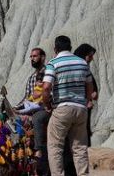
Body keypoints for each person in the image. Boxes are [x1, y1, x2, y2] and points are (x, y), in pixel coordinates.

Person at [42, 35, 94, 176]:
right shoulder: (82, 63)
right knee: (80, 148)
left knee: (55, 147)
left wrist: (47, 104)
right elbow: (90, 86)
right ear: (70, 47)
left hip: (62, 108)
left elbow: (46, 87)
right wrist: (87, 100)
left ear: (55, 49)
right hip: (80, 109)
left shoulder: (53, 63)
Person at [18, 48, 50, 175]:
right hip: (32, 108)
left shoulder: (49, 74)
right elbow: (27, 97)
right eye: (31, 56)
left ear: (43, 57)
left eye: (35, 56)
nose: (32, 58)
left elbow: (51, 92)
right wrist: (17, 108)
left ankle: (38, 149)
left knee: (37, 118)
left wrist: (43, 100)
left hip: (45, 108)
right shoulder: (31, 78)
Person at [73, 44, 98, 145]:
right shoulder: (77, 70)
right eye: (90, 56)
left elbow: (93, 87)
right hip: (79, 106)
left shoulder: (86, 70)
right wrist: (87, 100)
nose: (92, 59)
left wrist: (94, 93)